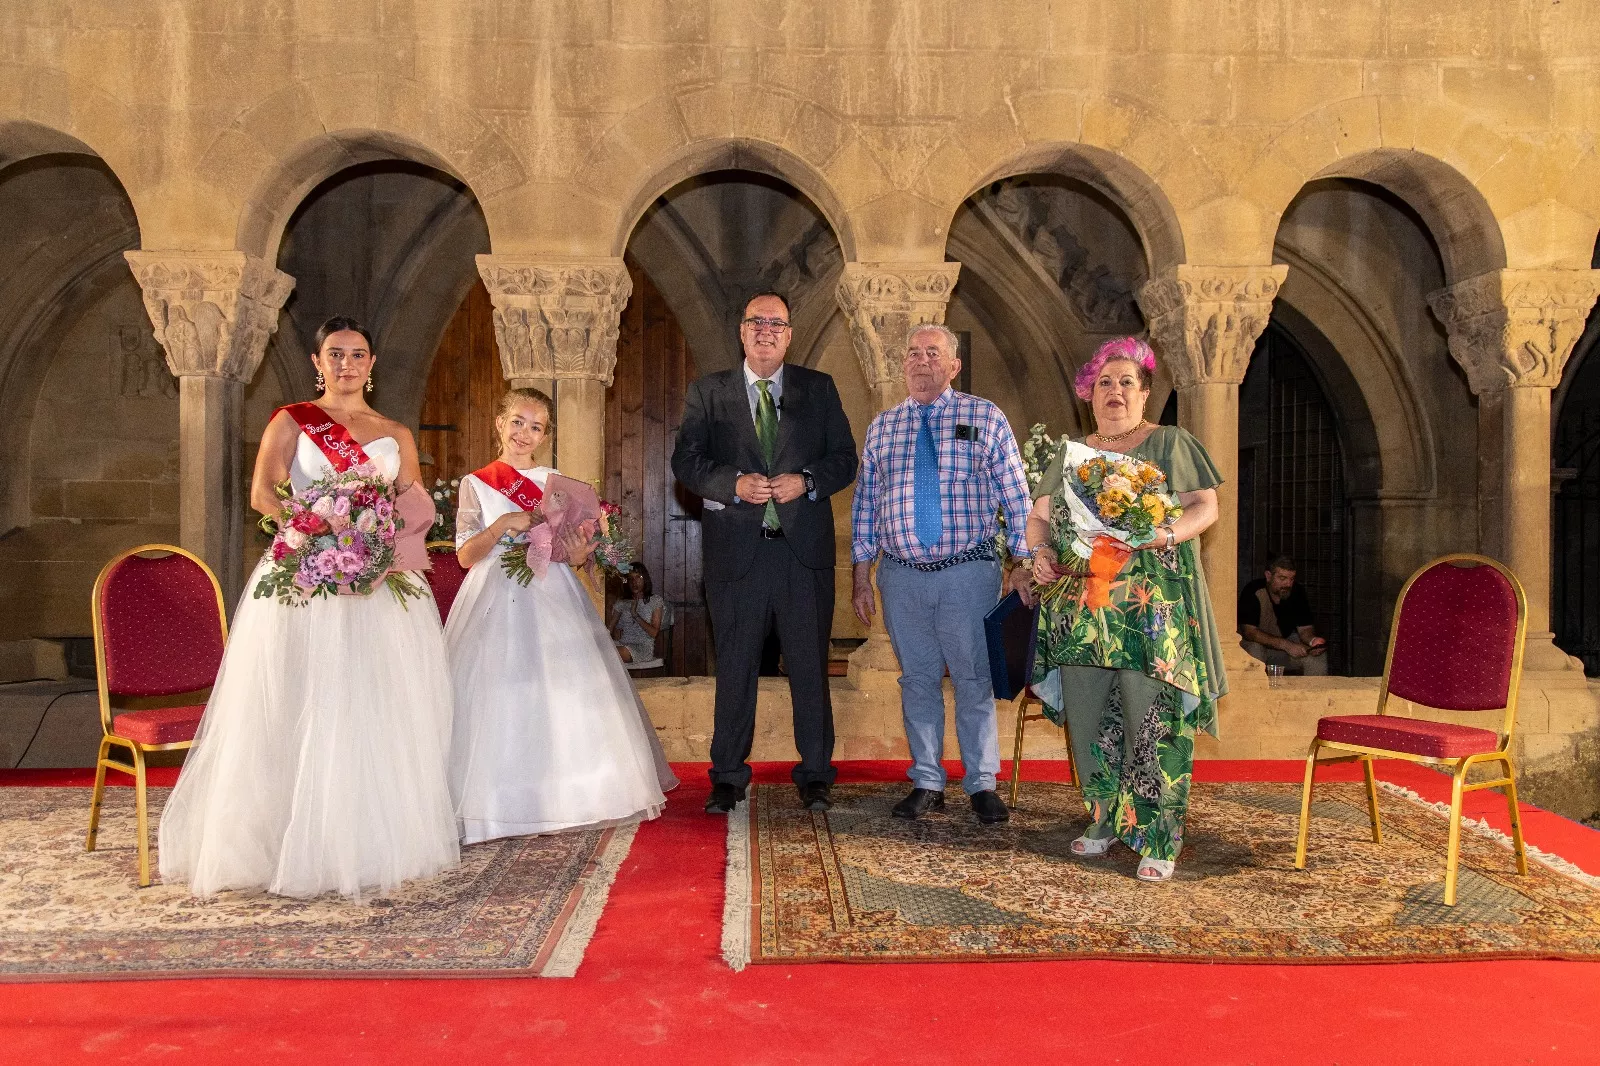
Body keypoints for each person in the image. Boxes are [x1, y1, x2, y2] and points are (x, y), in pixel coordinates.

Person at [159, 317, 459, 899]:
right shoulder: (292, 420)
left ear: (372, 365)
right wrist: (317, 526)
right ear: (317, 362)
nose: (347, 364)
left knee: (373, 708)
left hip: (377, 586)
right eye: (335, 354)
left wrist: (386, 532)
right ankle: (281, 842)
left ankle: (368, 840)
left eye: (358, 354)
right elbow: (263, 493)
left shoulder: (396, 434)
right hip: (308, 576)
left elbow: (410, 504)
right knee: (302, 701)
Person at [1025, 336, 1226, 883]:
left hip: (1148, 608)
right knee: (1090, 719)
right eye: (1105, 383)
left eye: (1127, 383)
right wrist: (1039, 551)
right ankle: (1103, 819)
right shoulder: (1069, 454)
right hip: (1081, 612)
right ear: (1089, 392)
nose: (1115, 392)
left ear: (1145, 393)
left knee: (1150, 718)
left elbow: (1205, 506)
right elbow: (1039, 517)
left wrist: (1164, 535)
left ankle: (1158, 835)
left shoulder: (1169, 443)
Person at [445, 389, 677, 844]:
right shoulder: (477, 482)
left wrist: (577, 553)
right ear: (498, 423)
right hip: (495, 595)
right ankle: (497, 805)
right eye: (516, 421)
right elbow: (466, 556)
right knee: (499, 693)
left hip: (553, 592)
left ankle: (565, 798)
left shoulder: (558, 482)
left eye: (535, 426)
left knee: (561, 693)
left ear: (545, 434)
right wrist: (501, 525)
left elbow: (576, 554)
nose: (523, 433)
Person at [671, 291, 859, 814]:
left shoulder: (818, 389)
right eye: (756, 321)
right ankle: (728, 775)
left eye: (776, 323)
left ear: (789, 334)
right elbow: (686, 461)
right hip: (737, 556)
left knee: (808, 668)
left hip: (803, 556)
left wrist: (808, 480)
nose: (766, 331)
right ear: (742, 330)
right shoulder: (709, 393)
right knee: (734, 668)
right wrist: (733, 483)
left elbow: (846, 459)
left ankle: (816, 773)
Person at [851, 324, 1035, 825]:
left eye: (933, 353)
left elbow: (1016, 495)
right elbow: (867, 504)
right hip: (902, 576)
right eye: (913, 353)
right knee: (917, 680)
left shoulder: (985, 417)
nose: (921, 361)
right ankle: (927, 779)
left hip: (967, 573)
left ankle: (981, 783)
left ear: (953, 366)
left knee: (973, 678)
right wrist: (860, 573)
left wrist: (1022, 561)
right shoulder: (882, 428)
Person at [1239, 554, 1328, 676]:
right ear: (1268, 576)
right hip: (1257, 647)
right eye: (1282, 578)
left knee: (1316, 658)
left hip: (1284, 649)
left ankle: (1312, 693)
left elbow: (1305, 629)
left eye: (1291, 579)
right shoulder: (1254, 591)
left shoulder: (1297, 592)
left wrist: (1313, 641)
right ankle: (1256, 692)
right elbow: (1250, 632)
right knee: (1255, 650)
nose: (1288, 584)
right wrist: (1285, 645)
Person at [610, 564, 668, 668]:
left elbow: (654, 633)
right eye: (630, 578)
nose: (634, 582)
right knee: (599, 649)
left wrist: (635, 615)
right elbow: (611, 629)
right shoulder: (622, 602)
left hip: (641, 648)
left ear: (645, 579)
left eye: (638, 577)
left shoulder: (655, 601)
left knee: (608, 653)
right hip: (622, 644)